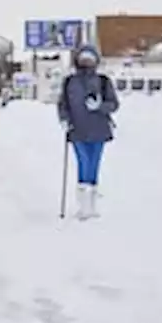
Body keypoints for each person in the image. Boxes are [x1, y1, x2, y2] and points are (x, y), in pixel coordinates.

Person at [57, 44, 120, 219]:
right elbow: (63, 104)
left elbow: (114, 104)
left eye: (90, 58)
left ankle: (91, 204)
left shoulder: (103, 81)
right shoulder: (70, 81)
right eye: (83, 58)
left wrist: (99, 106)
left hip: (99, 129)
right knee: (83, 162)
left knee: (94, 164)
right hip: (77, 129)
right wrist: (64, 119)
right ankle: (83, 204)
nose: (86, 62)